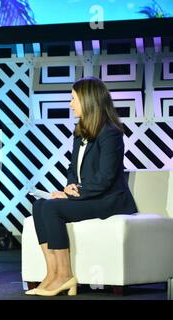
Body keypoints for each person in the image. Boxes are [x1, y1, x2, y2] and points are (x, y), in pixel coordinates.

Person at [27, 76, 138, 297]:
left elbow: (106, 177)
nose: (70, 104)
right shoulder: (81, 131)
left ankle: (65, 276)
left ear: (88, 101)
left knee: (51, 208)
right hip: (90, 196)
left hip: (109, 201)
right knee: (40, 205)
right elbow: (72, 169)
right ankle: (52, 272)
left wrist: (77, 193)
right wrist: (69, 188)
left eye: (73, 99)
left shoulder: (110, 133)